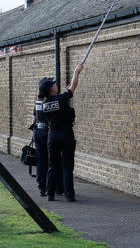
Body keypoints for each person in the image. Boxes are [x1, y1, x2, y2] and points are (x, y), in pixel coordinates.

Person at [39, 63, 84, 202]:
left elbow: (63, 96)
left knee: (53, 165)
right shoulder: (61, 99)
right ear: (51, 89)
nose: (55, 84)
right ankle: (69, 195)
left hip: (52, 136)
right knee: (67, 165)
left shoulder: (45, 104)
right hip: (66, 134)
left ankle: (50, 194)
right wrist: (76, 72)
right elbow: (73, 88)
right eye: (53, 84)